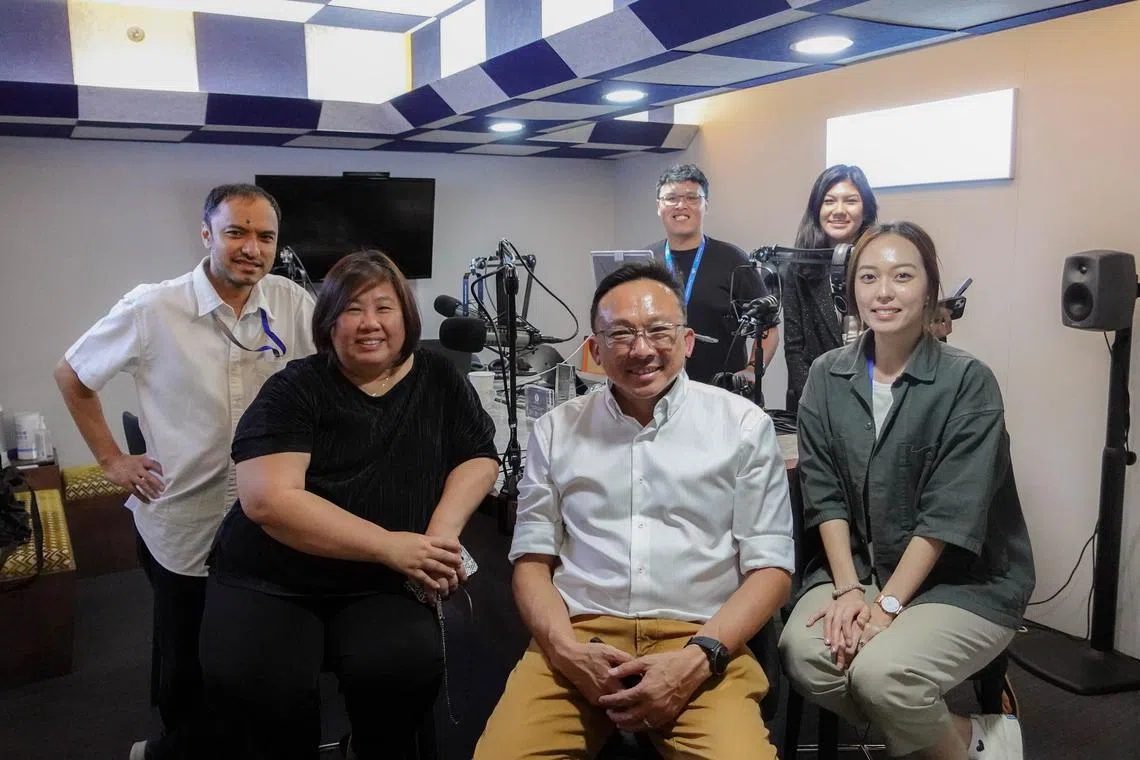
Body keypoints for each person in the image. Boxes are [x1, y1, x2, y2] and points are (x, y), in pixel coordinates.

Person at [474, 261, 795, 759]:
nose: (642, 349)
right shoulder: (557, 429)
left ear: (687, 341)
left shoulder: (743, 426)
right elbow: (532, 563)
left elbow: (770, 570)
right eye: (621, 334)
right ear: (595, 348)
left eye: (658, 331)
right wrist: (564, 651)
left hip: (700, 639)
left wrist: (698, 658)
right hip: (580, 635)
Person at [199, 250, 499, 760]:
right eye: (352, 309)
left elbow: (477, 456)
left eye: (383, 308)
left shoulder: (439, 378)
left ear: (405, 316)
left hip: (380, 581)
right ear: (328, 321)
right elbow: (268, 499)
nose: (369, 323)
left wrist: (439, 535)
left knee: (403, 668)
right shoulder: (296, 387)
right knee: (264, 689)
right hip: (273, 578)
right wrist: (389, 546)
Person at [53, 183, 316, 760]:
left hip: (270, 517)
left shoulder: (293, 302)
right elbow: (73, 375)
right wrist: (111, 460)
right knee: (187, 654)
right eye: (236, 232)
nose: (252, 248)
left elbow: (328, 378)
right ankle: (178, 746)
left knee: (258, 649)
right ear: (206, 235)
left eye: (265, 236)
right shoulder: (153, 308)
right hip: (186, 520)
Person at [779, 222, 1034, 760]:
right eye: (869, 277)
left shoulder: (968, 381)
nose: (884, 292)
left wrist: (887, 606)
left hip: (959, 581)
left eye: (902, 276)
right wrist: (849, 590)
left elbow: (949, 516)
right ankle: (967, 736)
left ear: (930, 288)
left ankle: (951, 743)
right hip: (861, 568)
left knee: (883, 673)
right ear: (852, 290)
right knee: (804, 655)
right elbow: (824, 495)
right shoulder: (826, 375)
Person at [647, 163, 779, 389]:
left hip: (722, 391)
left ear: (705, 205)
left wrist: (751, 370)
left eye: (692, 198)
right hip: (659, 389)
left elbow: (768, 328)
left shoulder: (733, 259)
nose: (681, 205)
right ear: (659, 206)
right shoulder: (646, 261)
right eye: (671, 198)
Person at [783, 164, 878, 410]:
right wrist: (817, 405)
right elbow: (794, 348)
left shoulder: (881, 262)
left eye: (850, 201)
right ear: (817, 209)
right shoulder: (798, 267)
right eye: (829, 201)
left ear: (866, 209)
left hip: (875, 394)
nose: (839, 210)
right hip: (816, 399)